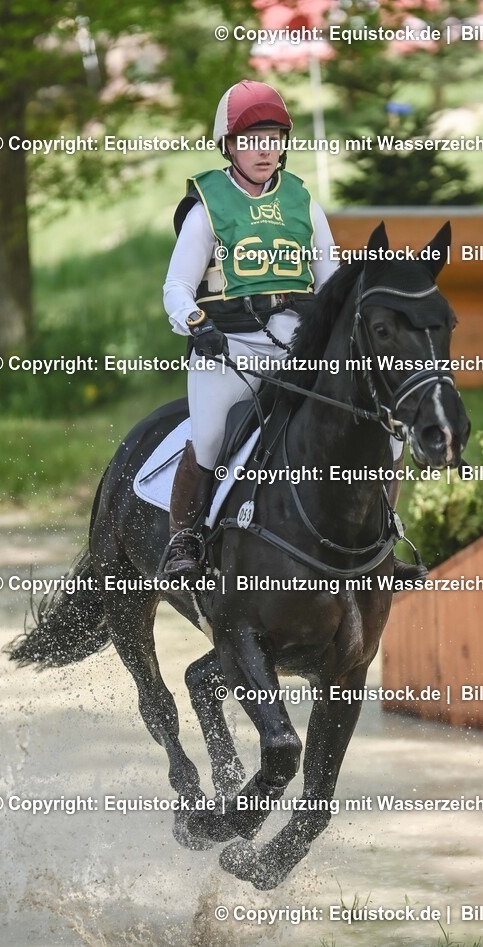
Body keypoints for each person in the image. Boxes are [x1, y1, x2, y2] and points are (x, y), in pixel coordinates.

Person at [161, 79, 339, 576]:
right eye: (250, 140)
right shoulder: (206, 209)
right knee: (211, 438)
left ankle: (383, 535)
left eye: (273, 138)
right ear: (228, 146)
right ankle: (185, 541)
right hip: (229, 350)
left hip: (297, 351)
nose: (264, 150)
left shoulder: (304, 205)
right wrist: (198, 326)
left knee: (353, 423)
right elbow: (176, 287)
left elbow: (331, 288)